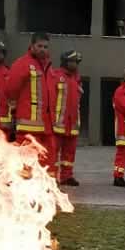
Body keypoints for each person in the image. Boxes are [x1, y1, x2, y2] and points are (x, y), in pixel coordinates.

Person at [6, 33, 56, 177]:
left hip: (47, 125)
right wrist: (18, 108)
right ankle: (24, 189)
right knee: (26, 159)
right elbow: (10, 89)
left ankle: (48, 188)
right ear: (32, 46)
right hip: (29, 123)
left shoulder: (48, 66)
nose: (42, 49)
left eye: (45, 47)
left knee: (48, 158)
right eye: (39, 46)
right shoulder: (22, 64)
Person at [52, 50, 83, 186]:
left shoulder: (77, 79)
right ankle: (51, 176)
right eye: (72, 61)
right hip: (58, 122)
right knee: (53, 152)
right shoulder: (56, 75)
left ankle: (67, 176)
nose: (74, 64)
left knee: (69, 153)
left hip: (73, 123)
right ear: (65, 61)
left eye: (76, 61)